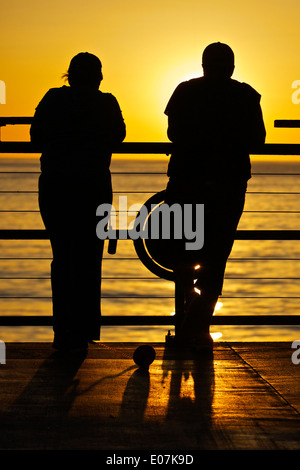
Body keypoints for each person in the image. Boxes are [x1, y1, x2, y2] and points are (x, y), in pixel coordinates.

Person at [164, 42, 266, 351]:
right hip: (228, 183)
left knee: (182, 253)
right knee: (216, 255)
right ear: (232, 68)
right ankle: (198, 326)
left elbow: (172, 133)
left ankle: (186, 321)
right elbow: (258, 141)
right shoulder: (247, 95)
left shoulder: (184, 90)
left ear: (203, 65)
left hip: (186, 180)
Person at [30, 52, 126, 352]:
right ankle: (84, 330)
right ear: (98, 77)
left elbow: (36, 138)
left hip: (56, 185)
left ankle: (63, 331)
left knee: (62, 256)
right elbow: (120, 136)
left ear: (69, 76)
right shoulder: (107, 103)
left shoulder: (52, 99)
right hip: (94, 187)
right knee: (88, 259)